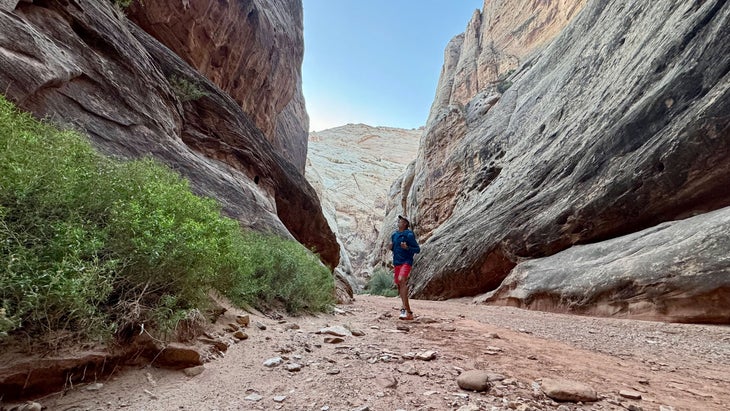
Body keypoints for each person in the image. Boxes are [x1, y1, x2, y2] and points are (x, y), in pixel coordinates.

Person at [391, 214, 420, 320]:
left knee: (401, 280)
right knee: (400, 285)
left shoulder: (409, 234)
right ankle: (409, 313)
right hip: (397, 262)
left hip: (406, 262)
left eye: (401, 221)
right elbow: (394, 248)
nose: (398, 222)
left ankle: (403, 309)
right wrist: (391, 247)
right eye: (398, 220)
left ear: (405, 223)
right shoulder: (394, 235)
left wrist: (407, 247)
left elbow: (417, 249)